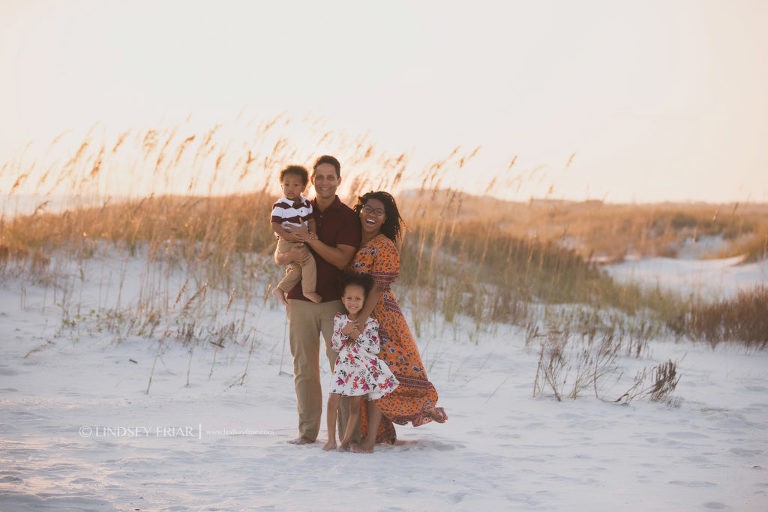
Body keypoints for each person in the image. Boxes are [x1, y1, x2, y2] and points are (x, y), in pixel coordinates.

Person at [347, 190, 447, 453]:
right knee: (366, 378)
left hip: (381, 318)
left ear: (385, 218)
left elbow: (379, 289)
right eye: (368, 208)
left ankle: (370, 442)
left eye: (379, 212)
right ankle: (380, 434)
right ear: (360, 210)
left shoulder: (384, 245)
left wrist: (360, 322)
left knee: (382, 377)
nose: (372, 215)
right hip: (358, 313)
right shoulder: (353, 240)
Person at [274, 155, 362, 445]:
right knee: (304, 369)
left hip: (334, 302)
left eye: (330, 177)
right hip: (299, 301)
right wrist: (290, 256)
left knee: (341, 366)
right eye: (319, 177)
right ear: (312, 180)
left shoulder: (348, 217)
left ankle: (346, 436)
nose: (325, 182)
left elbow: (341, 259)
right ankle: (307, 433)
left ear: (339, 180)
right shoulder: (297, 206)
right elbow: (279, 255)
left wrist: (310, 240)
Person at [323, 272, 399, 452]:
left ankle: (345, 442)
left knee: (355, 405)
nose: (353, 302)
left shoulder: (371, 323)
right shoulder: (339, 319)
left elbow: (374, 347)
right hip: (342, 367)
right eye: (349, 298)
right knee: (332, 401)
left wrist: (357, 335)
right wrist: (343, 333)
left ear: (364, 301)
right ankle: (331, 440)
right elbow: (334, 344)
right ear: (342, 299)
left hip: (359, 369)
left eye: (357, 298)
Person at [270, 165, 321, 304]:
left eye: (295, 185)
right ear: (282, 186)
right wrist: (288, 237)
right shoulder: (280, 205)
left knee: (298, 269)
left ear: (303, 187)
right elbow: (274, 224)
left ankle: (280, 290)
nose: (290, 188)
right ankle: (308, 290)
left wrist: (313, 234)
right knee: (308, 261)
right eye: (286, 184)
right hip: (287, 241)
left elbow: (311, 220)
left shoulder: (306, 203)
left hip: (301, 239)